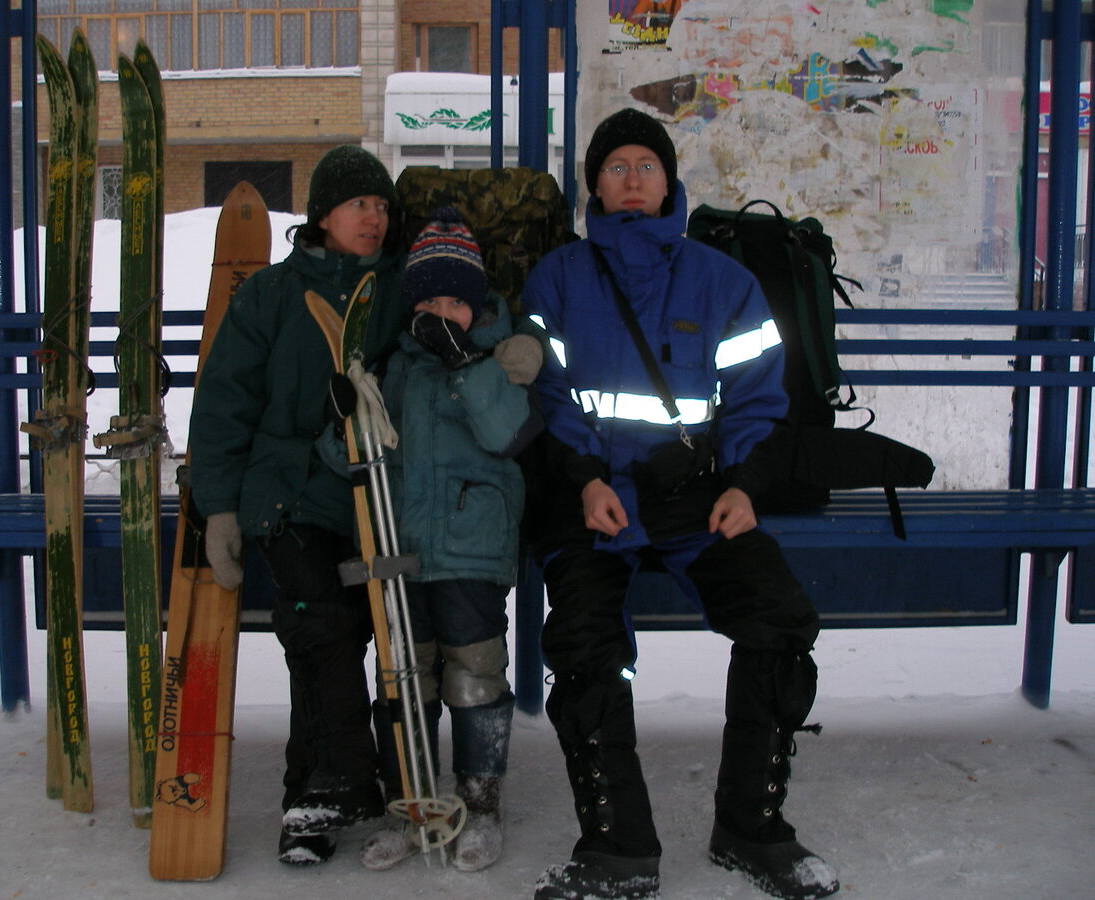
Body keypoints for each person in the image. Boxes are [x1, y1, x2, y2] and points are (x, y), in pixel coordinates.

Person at [521, 108, 839, 900]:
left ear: (669, 182)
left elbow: (758, 399)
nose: (632, 179)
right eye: (616, 167)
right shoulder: (557, 278)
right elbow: (548, 398)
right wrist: (585, 478)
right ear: (594, 185)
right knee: (584, 642)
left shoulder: (722, 281)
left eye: (646, 166)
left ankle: (751, 827)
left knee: (780, 618)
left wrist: (742, 487)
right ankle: (617, 847)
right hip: (591, 497)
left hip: (695, 498)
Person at [189, 145, 406, 866]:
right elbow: (224, 404)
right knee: (320, 626)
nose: (372, 219)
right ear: (322, 215)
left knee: (350, 638)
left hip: (377, 497)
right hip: (291, 496)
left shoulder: (398, 290)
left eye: (380, 206)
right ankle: (332, 786)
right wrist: (220, 508)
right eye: (357, 205)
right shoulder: (271, 296)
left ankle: (322, 794)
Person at [320, 208, 544, 872]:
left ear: (477, 306)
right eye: (428, 303)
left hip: (472, 551)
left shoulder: (503, 358)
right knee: (403, 681)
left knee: (474, 674)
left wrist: (466, 364)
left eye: (455, 302)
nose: (442, 314)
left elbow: (507, 433)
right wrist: (339, 423)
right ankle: (409, 802)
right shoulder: (395, 368)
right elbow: (353, 459)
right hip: (399, 552)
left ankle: (481, 802)